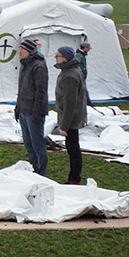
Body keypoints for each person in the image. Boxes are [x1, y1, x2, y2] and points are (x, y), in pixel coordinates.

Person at [14, 39, 49, 176]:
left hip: (33, 112)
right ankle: (33, 169)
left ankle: (42, 172)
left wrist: (37, 112)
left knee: (37, 144)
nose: (19, 52)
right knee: (28, 144)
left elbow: (41, 92)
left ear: (28, 50)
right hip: (24, 109)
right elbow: (22, 89)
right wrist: (18, 108)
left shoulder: (38, 67)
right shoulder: (24, 66)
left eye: (21, 49)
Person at [54, 46, 87, 185]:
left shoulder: (70, 76)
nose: (55, 58)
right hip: (71, 117)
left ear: (65, 58)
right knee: (72, 148)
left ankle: (74, 178)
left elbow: (70, 103)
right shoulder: (69, 71)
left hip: (71, 119)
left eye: (58, 56)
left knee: (73, 149)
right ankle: (73, 176)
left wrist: (64, 126)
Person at [75, 42, 94, 107]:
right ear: (85, 48)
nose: (88, 50)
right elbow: (76, 63)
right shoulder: (79, 56)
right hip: (81, 76)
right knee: (84, 91)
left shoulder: (81, 55)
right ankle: (90, 104)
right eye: (88, 48)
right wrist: (82, 70)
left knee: (83, 91)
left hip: (82, 76)